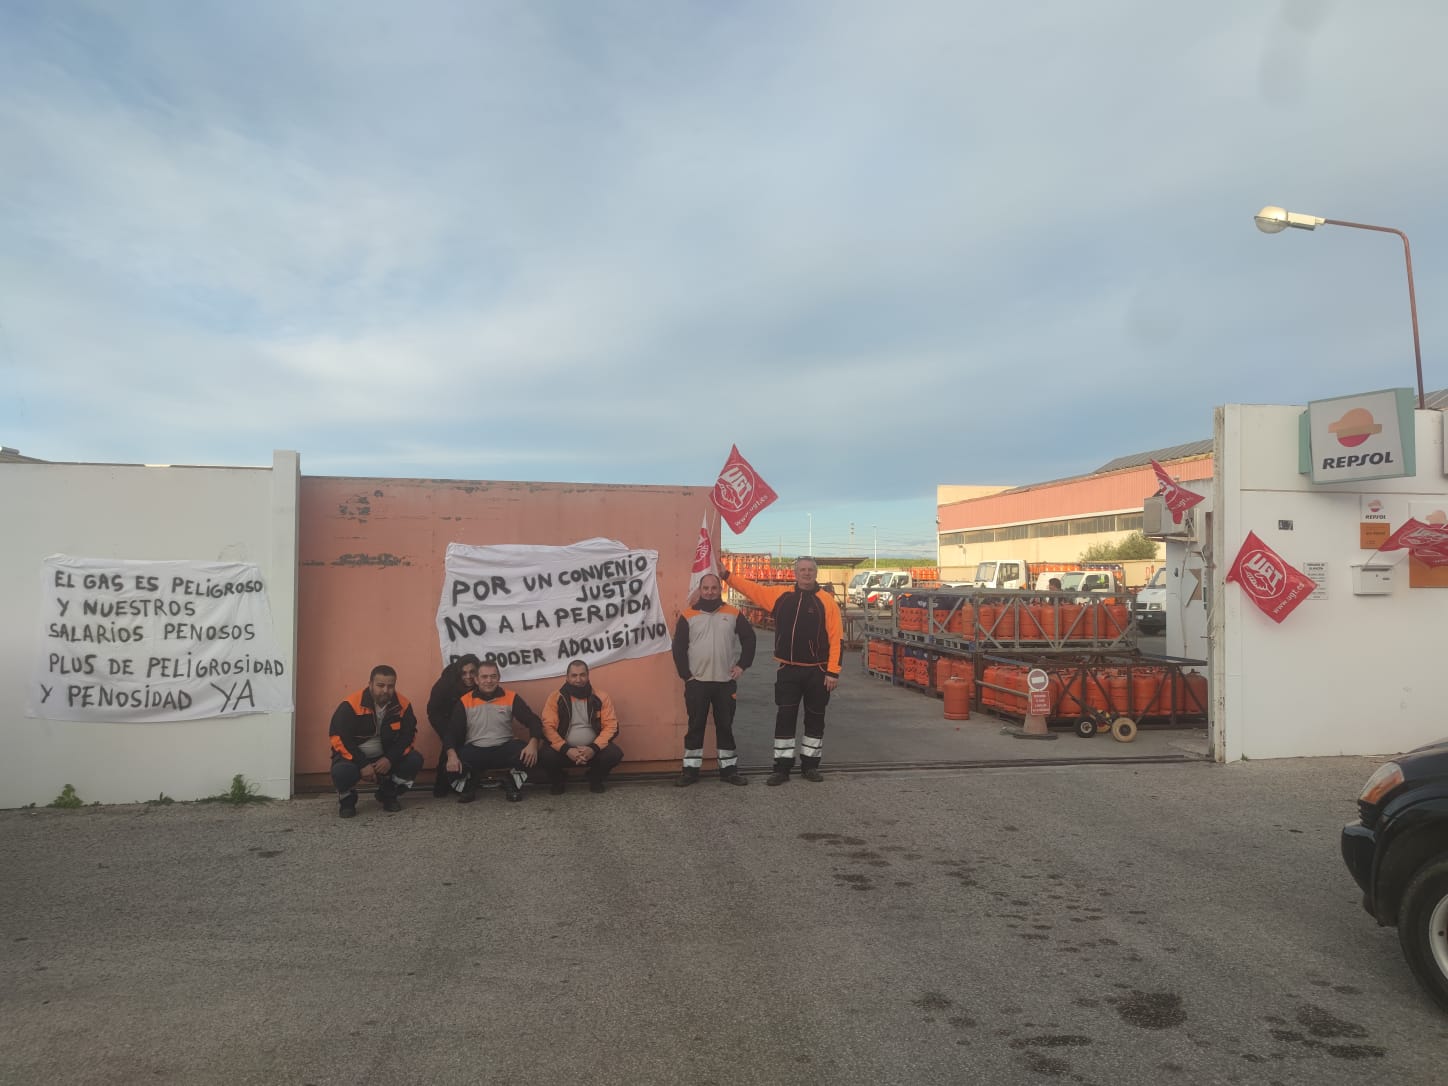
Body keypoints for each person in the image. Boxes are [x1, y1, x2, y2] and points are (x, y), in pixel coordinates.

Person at [721, 556, 843, 785]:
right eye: (802, 570)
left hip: (818, 672)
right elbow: (752, 589)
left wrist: (833, 672)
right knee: (784, 718)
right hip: (788, 670)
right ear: (795, 573)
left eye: (810, 570)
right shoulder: (781, 596)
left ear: (816, 573)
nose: (806, 574)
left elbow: (837, 639)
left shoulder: (826, 601)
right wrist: (727, 576)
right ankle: (782, 768)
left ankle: (810, 766)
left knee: (815, 719)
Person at [671, 572, 756, 786]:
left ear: (720, 590)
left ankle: (729, 771)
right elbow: (678, 648)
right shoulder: (688, 615)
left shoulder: (733, 613)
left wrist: (742, 665)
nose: (710, 592)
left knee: (725, 726)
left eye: (714, 588)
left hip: (725, 683)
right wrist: (686, 676)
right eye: (706, 588)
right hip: (697, 683)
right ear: (700, 590)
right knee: (696, 726)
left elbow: (750, 639)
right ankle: (690, 772)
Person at [328, 664, 424, 818]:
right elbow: (338, 737)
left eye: (390, 686)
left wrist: (389, 759)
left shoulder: (403, 705)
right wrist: (362, 764)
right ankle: (347, 801)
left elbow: (408, 736)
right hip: (354, 758)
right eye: (380, 685)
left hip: (386, 757)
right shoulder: (350, 705)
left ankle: (388, 794)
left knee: (414, 760)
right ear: (370, 684)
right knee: (341, 772)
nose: (386, 690)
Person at [443, 660, 544, 803]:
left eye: (493, 676)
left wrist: (533, 744)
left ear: (499, 678)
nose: (489, 680)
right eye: (484, 677)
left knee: (531, 754)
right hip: (475, 750)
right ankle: (470, 784)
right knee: (448, 764)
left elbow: (533, 721)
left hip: (504, 748)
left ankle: (511, 781)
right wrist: (451, 755)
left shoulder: (511, 697)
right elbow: (451, 732)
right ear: (476, 680)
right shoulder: (465, 701)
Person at [539, 660, 624, 794]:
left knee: (614, 754)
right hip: (564, 750)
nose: (578, 679)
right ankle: (558, 780)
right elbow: (547, 727)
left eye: (582, 675)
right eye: (574, 675)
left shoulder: (601, 697)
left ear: (588, 676)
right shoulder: (555, 697)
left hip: (593, 750)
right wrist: (566, 749)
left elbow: (611, 726)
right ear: (567, 677)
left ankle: (595, 778)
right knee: (544, 755)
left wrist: (593, 748)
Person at [426, 654, 479, 797]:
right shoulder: (445, 683)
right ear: (458, 673)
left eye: (472, 672)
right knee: (450, 745)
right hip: (442, 718)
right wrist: (446, 731)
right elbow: (433, 710)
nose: (468, 676)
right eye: (464, 673)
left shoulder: (481, 683)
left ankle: (464, 781)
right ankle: (442, 784)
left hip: (468, 720)